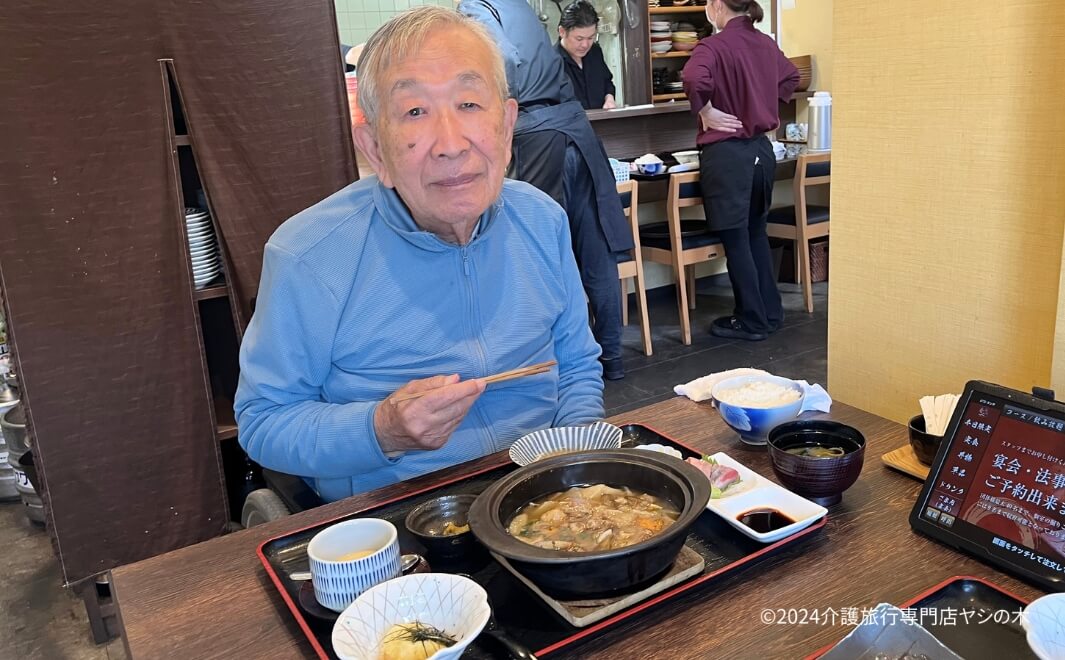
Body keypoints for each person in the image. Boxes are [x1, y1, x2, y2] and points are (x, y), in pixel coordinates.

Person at [234, 6, 605, 502]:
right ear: (375, 148)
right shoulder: (309, 254)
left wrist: (574, 474)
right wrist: (380, 428)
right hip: (401, 514)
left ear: (507, 124)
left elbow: (577, 364)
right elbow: (263, 422)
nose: (450, 144)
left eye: (470, 104)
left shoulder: (542, 219)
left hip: (543, 493)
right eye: (414, 112)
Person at [457, 0, 632, 380]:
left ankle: (559, 364)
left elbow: (500, 57)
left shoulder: (474, 7)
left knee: (542, 248)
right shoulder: (516, 6)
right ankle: (611, 360)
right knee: (594, 245)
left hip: (537, 133)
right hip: (576, 130)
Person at [682, 0, 798, 341]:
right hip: (761, 151)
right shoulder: (764, 43)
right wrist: (761, 102)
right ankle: (770, 313)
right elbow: (791, 76)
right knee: (755, 233)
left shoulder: (713, 47)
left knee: (736, 239)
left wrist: (704, 110)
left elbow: (692, 77)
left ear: (717, 5)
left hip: (728, 154)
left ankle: (751, 319)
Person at [556, 1, 617, 110]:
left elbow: (607, 82)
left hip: (602, 123)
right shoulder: (551, 62)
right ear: (562, 32)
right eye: (579, 39)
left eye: (590, 38)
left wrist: (609, 99)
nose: (585, 45)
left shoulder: (595, 52)